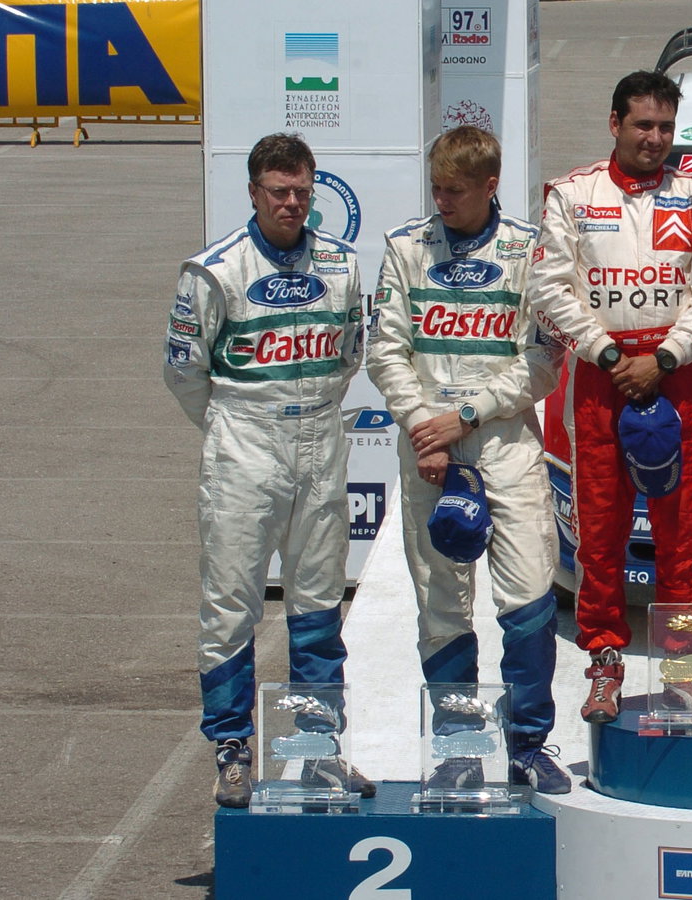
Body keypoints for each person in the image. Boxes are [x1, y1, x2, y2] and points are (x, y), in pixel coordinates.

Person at [164, 133, 374, 808]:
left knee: (316, 606)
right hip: (245, 441)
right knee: (231, 606)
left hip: (320, 435)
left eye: (302, 193)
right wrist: (233, 427)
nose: (291, 204)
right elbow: (183, 372)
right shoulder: (213, 270)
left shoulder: (342, 264)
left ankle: (319, 752)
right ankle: (232, 750)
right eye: (278, 192)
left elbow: (351, 354)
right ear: (253, 193)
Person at [528, 71, 692, 723]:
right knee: (600, 534)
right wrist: (615, 356)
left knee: (682, 537)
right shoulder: (571, 194)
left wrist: (666, 357)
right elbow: (546, 286)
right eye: (643, 124)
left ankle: (686, 671)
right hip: (600, 377)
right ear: (614, 122)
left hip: (676, 378)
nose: (655, 139)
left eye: (666, 128)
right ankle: (604, 667)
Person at [366, 126, 570, 794]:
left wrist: (468, 415)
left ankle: (529, 743)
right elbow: (385, 350)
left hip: (503, 441)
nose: (441, 201)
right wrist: (427, 427)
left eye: (454, 191)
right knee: (441, 600)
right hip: (429, 445)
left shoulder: (529, 250)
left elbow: (543, 362)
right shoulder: (405, 247)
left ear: (491, 185)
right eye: (435, 188)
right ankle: (457, 744)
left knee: (531, 594)